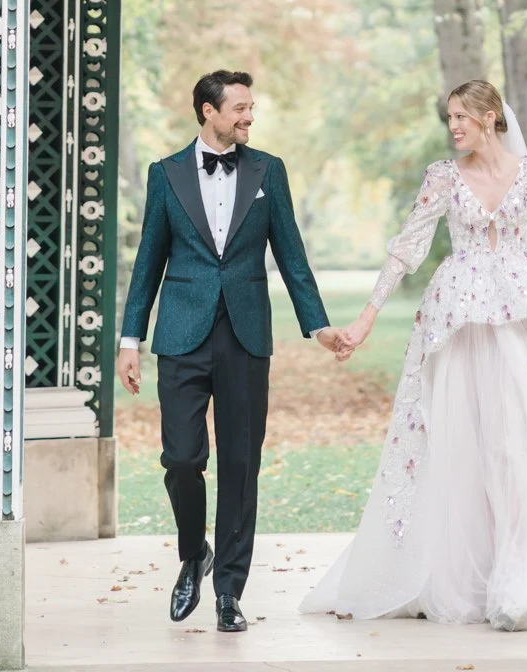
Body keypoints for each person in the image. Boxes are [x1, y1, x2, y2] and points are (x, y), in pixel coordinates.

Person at [301, 80, 527, 632]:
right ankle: (463, 579)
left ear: (492, 117)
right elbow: (406, 248)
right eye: (450, 119)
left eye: (462, 116)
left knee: (518, 450)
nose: (454, 127)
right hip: (457, 325)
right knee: (463, 449)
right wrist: (366, 317)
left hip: (520, 326)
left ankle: (522, 581)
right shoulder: (443, 177)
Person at [118, 69, 341, 633]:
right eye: (239, 108)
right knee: (182, 460)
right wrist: (130, 339)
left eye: (250, 107)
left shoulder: (270, 171)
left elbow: (291, 254)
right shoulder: (165, 174)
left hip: (245, 336)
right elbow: (149, 260)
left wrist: (317, 326)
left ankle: (228, 593)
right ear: (207, 111)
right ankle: (194, 552)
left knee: (241, 466)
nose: (248, 116)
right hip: (181, 335)